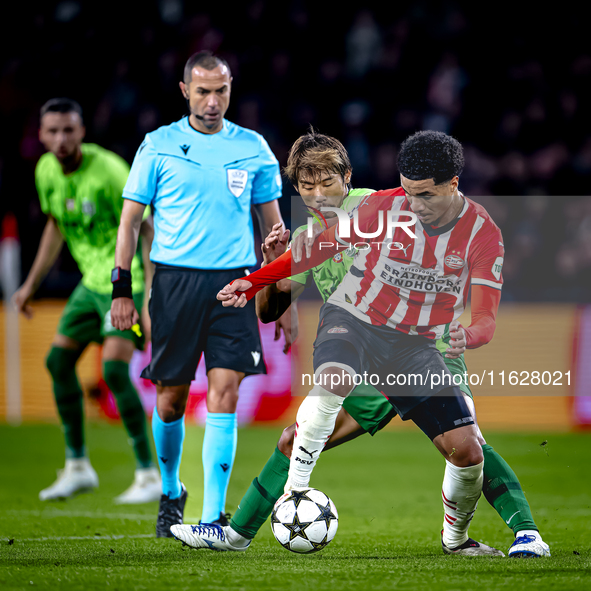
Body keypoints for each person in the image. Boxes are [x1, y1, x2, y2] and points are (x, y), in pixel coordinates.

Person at [170, 130, 549, 557]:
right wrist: (267, 268)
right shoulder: (305, 238)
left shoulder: (376, 206)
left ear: (347, 178)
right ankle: (236, 534)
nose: (318, 194)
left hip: (423, 345)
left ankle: (522, 532)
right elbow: (268, 311)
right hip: (362, 353)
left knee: (467, 445)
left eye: (327, 182)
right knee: (295, 439)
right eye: (306, 186)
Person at [110, 51, 285, 537]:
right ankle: (171, 492)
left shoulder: (253, 148)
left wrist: (283, 293)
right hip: (174, 283)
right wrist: (122, 287)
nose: (213, 101)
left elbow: (273, 228)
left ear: (231, 90)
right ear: (185, 90)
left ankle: (211, 517)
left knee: (225, 392)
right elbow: (130, 222)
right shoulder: (158, 145)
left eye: (221, 91)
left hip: (236, 282)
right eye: (203, 91)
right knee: (169, 401)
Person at [13, 97, 160, 504]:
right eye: (53, 131)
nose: (61, 139)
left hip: (123, 282)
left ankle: (149, 474)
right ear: (41, 135)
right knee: (57, 362)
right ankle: (77, 466)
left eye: (68, 131)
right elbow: (56, 226)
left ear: (81, 132)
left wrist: (148, 299)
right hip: (87, 285)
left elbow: (146, 231)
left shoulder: (111, 171)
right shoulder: (46, 171)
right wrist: (30, 286)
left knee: (114, 370)